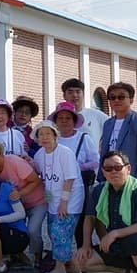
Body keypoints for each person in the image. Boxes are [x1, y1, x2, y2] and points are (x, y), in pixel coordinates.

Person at [0, 137, 46, 269]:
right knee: (16, 228)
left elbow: (36, 180)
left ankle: (38, 259)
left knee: (33, 230)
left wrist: (20, 193)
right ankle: (19, 256)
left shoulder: (13, 161)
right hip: (18, 203)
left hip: (37, 201)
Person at [32, 120, 84, 273]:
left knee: (59, 231)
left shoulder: (65, 152)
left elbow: (70, 179)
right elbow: (40, 174)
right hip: (52, 198)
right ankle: (73, 266)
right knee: (53, 232)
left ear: (55, 135)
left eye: (48, 133)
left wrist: (64, 202)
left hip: (69, 199)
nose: (45, 137)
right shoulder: (39, 154)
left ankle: (60, 269)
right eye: (41, 134)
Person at [49, 101, 100, 248]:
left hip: (78, 185)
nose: (64, 121)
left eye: (68, 118)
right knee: (57, 219)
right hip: (57, 185)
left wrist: (77, 167)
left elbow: (95, 161)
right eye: (61, 118)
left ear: (74, 121)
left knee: (80, 218)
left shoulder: (83, 138)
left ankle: (82, 251)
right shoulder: (53, 139)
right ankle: (61, 253)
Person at [99, 82, 137, 192]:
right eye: (112, 97)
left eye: (121, 97)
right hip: (111, 184)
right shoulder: (108, 123)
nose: (116, 100)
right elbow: (104, 154)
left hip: (134, 183)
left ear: (131, 99)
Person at [61, 78, 108, 149]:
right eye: (70, 92)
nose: (74, 95)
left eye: (78, 92)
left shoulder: (98, 116)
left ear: (83, 94)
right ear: (64, 96)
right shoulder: (57, 118)